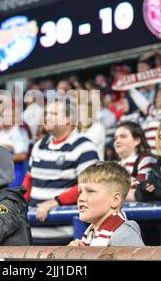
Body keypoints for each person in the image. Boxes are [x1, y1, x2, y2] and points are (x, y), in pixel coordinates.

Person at [23, 97, 99, 245]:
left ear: (68, 119)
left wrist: (55, 202)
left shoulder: (84, 146)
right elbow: (29, 179)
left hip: (66, 236)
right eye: (47, 113)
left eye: (53, 114)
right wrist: (19, 204)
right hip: (32, 233)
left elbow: (90, 185)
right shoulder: (40, 144)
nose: (47, 117)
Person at [68, 161, 144, 247]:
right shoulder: (90, 235)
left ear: (115, 200)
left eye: (90, 191)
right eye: (80, 192)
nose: (81, 198)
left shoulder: (123, 235)